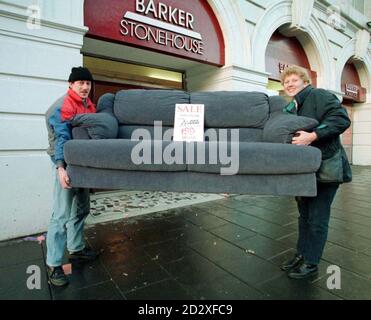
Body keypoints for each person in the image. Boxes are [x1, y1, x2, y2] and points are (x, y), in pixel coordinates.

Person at [279, 66, 351, 279]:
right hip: (303, 170)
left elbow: (341, 119)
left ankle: (311, 263)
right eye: (286, 82)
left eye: (293, 80)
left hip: (326, 167)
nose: (289, 84)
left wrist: (313, 136)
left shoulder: (319, 95)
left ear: (305, 81)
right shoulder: (292, 105)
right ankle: (301, 254)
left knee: (317, 218)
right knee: (304, 217)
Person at [45, 67, 99, 286]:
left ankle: (75, 248)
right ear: (70, 84)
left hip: (80, 162)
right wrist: (60, 168)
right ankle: (54, 264)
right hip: (65, 163)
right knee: (60, 215)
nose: (85, 87)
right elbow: (61, 139)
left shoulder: (88, 104)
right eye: (80, 83)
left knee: (82, 208)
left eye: (88, 83)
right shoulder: (62, 106)